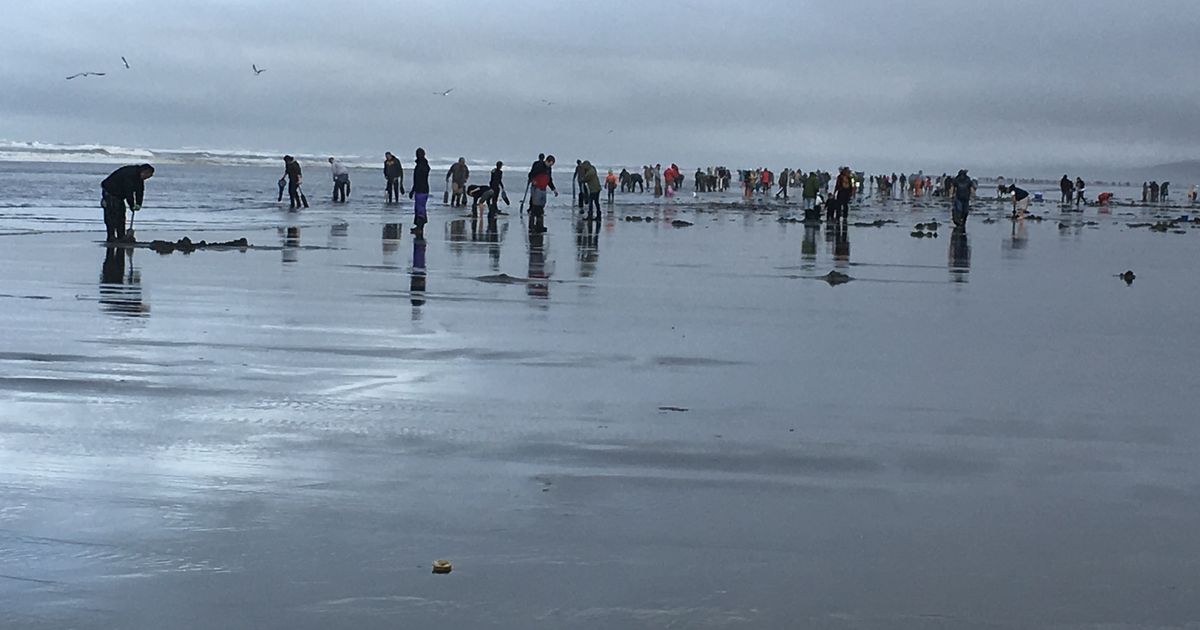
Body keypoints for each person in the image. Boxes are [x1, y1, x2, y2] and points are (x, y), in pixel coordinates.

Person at [100, 163, 154, 242]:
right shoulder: (130, 174)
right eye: (148, 175)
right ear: (144, 172)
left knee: (121, 215)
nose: (148, 178)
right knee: (112, 215)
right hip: (110, 191)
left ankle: (121, 236)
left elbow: (140, 191)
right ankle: (111, 236)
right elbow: (129, 191)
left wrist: (138, 204)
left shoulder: (139, 178)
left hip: (120, 195)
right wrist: (132, 205)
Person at [526, 154, 557, 233]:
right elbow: (531, 174)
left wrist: (553, 189)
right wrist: (532, 180)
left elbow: (549, 180)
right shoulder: (539, 166)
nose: (551, 166)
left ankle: (540, 225)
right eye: (550, 164)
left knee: (541, 206)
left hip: (543, 188)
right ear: (547, 161)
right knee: (535, 207)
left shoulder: (549, 169)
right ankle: (532, 226)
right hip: (536, 188)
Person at [410, 148, 431, 235]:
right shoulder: (424, 164)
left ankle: (420, 227)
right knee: (419, 208)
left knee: (420, 208)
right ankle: (419, 226)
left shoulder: (421, 165)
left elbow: (418, 179)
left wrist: (413, 190)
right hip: (423, 189)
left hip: (421, 189)